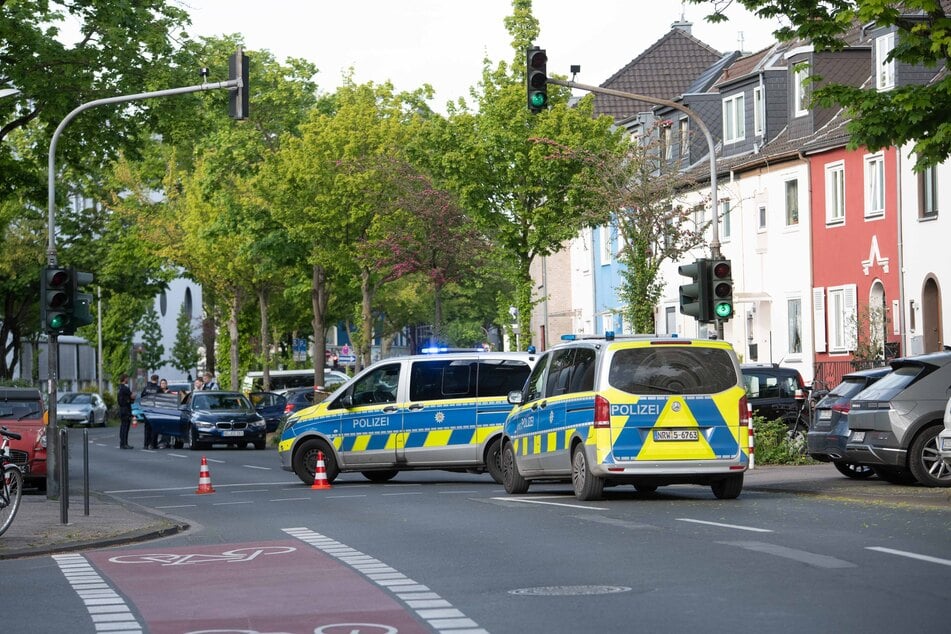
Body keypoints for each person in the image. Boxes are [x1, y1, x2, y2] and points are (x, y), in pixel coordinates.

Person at [140, 374, 160, 449]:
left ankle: (145, 444)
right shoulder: (158, 389)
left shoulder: (146, 388)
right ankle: (153, 444)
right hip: (155, 410)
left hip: (147, 410)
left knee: (147, 428)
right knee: (154, 427)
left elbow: (142, 397)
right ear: (157, 380)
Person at [117, 373, 133, 449]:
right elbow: (131, 396)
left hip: (121, 409)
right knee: (126, 427)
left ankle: (122, 443)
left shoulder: (119, 388)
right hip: (126, 409)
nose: (128, 380)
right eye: (127, 378)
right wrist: (133, 397)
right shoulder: (125, 388)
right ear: (125, 379)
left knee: (122, 426)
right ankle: (125, 443)